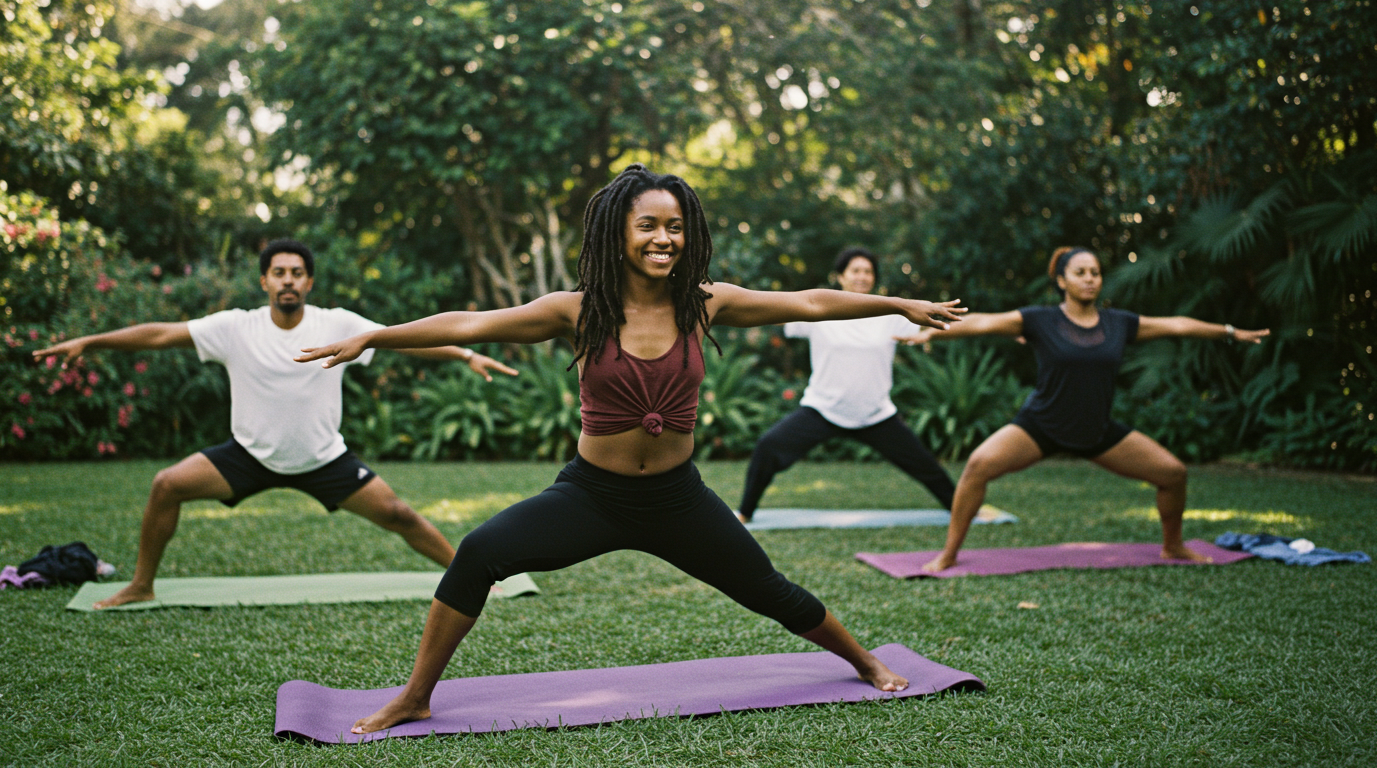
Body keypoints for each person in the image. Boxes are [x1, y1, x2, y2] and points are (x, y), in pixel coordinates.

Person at [296, 165, 968, 734]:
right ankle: (416, 695)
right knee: (479, 553)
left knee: (770, 591)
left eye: (674, 226)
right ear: (618, 232)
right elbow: (472, 322)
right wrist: (375, 336)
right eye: (648, 225)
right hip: (593, 494)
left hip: (677, 499)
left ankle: (865, 662)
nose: (664, 238)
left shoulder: (706, 303)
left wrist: (897, 303)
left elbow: (811, 302)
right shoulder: (578, 310)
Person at [32, 239, 517, 609]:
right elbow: (160, 334)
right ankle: (141, 585)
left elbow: (396, 339)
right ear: (264, 281)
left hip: (323, 458)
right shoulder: (235, 327)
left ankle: (468, 577)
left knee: (399, 514)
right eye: (279, 273)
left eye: (298, 273)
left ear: (309, 283)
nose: (288, 280)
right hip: (247, 456)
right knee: (167, 484)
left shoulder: (336, 323)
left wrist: (465, 353)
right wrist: (91, 342)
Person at [900, 247, 1269, 573]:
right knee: (978, 466)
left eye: (1095, 272)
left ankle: (1173, 545)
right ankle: (949, 553)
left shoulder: (1119, 324)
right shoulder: (1040, 320)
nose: (1090, 279)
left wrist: (1231, 332)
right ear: (1062, 281)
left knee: (1173, 474)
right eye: (1081, 273)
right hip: (1040, 426)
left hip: (1097, 431)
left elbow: (1176, 324)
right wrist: (933, 332)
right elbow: (982, 321)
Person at [737, 247, 956, 522]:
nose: (862, 277)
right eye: (855, 271)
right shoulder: (819, 311)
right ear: (840, 277)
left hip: (875, 413)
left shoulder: (891, 315)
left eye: (868, 272)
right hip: (823, 408)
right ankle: (745, 513)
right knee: (768, 448)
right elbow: (777, 313)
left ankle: (961, 508)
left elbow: (929, 330)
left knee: (924, 465)